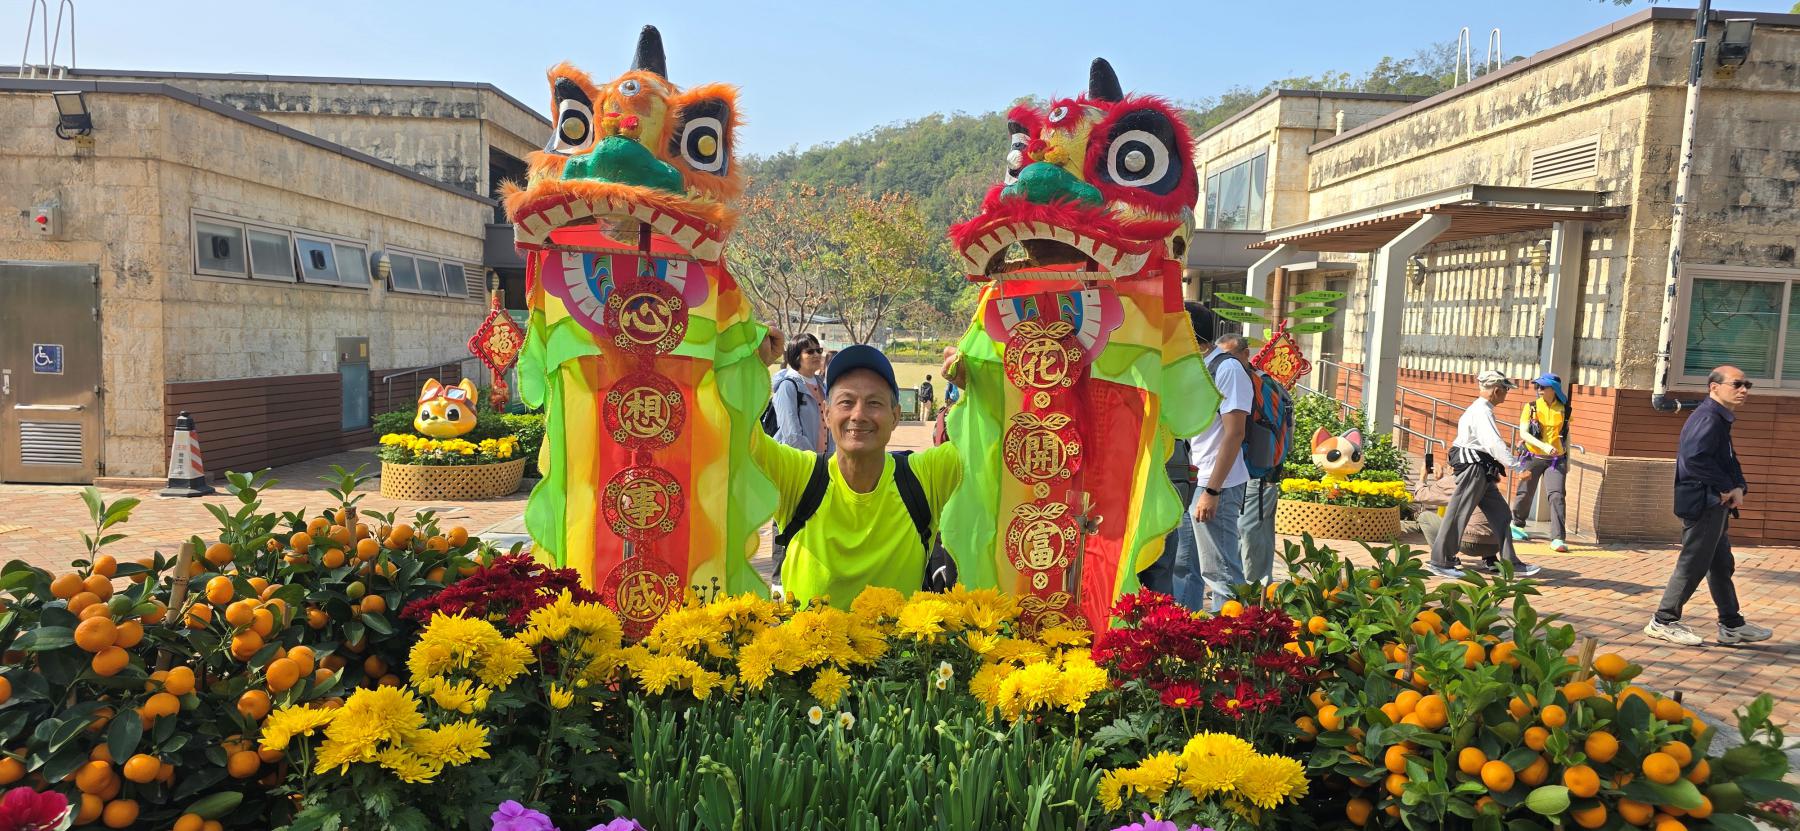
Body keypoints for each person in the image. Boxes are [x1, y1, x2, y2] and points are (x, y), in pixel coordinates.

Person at [753, 335, 962, 608]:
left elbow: (988, 443)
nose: (859, 415)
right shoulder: (799, 476)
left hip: (905, 638)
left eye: (874, 403)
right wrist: (749, 364)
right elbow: (736, 434)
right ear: (827, 413)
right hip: (809, 638)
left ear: (895, 416)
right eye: (846, 402)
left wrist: (978, 384)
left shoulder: (923, 477)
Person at [1645, 365, 1772, 647]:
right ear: (1714, 387)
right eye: (1737, 384)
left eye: (1747, 385)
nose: (1744, 390)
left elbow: (1729, 459)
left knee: (1721, 564)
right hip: (1704, 502)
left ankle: (1731, 625)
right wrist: (1727, 487)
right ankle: (1663, 620)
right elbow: (1695, 459)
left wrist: (1738, 486)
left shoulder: (1719, 418)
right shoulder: (1708, 418)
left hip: (1715, 502)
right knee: (1693, 563)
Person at [1428, 371, 1541, 579]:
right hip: (1473, 467)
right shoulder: (1482, 412)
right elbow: (1493, 443)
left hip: (1482, 469)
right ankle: (1441, 561)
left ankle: (1510, 563)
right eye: (1505, 389)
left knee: (1502, 514)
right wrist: (1517, 467)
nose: (1506, 394)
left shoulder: (1480, 409)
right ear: (1496, 390)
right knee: (1458, 512)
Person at [1178, 304, 1252, 613]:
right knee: (1184, 565)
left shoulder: (1227, 369)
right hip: (1193, 479)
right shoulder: (1196, 367)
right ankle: (1185, 632)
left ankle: (1232, 635)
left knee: (1220, 572)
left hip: (1216, 483)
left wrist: (1212, 490)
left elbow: (1235, 433)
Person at [768, 333, 831, 585]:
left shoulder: (822, 385)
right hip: (797, 465)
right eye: (809, 351)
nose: (816, 355)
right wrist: (812, 461)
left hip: (822, 466)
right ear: (796, 356)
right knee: (786, 520)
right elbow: (791, 433)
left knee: (813, 520)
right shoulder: (788, 386)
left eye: (818, 350)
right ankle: (779, 584)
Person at [1230, 338, 1280, 585]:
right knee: (1258, 533)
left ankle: (1250, 591)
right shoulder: (1262, 380)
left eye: (1230, 355)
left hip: (1254, 472)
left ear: (1245, 353)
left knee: (1248, 532)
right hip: (1263, 472)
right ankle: (1260, 590)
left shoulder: (1250, 383)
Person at [1510, 372, 1571, 552]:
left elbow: (1566, 435)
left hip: (1556, 460)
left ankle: (1558, 538)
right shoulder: (1531, 407)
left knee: (1557, 496)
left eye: (1543, 387)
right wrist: (1544, 446)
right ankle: (1517, 525)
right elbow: (1524, 433)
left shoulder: (1565, 409)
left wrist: (1568, 461)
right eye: (1538, 386)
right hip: (1532, 457)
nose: (1539, 389)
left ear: (1554, 389)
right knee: (1525, 493)